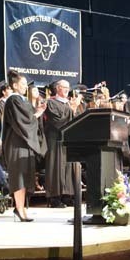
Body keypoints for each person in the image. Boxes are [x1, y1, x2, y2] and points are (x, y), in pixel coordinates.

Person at [1, 70, 46, 222]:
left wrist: (37, 114)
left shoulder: (23, 100)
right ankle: (19, 210)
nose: (25, 87)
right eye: (22, 84)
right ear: (14, 85)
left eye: (26, 84)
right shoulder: (13, 100)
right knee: (19, 176)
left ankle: (19, 208)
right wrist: (37, 115)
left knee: (25, 176)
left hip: (24, 142)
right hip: (16, 143)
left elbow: (30, 118)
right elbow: (24, 121)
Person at [43, 80, 75, 208]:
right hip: (55, 140)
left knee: (68, 167)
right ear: (57, 88)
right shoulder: (51, 103)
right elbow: (58, 122)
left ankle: (67, 195)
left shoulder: (68, 103)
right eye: (64, 87)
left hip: (67, 140)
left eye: (68, 87)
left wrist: (73, 109)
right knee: (55, 167)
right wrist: (71, 109)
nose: (67, 89)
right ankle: (54, 198)